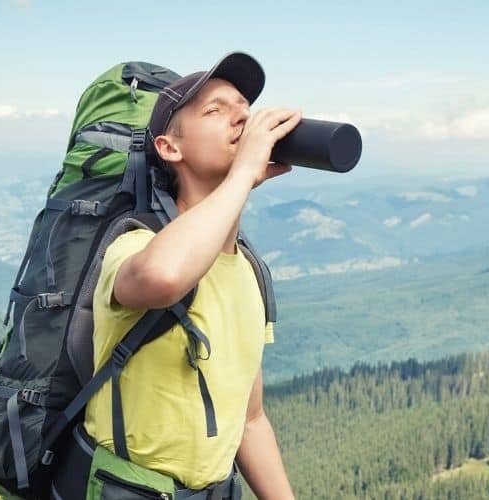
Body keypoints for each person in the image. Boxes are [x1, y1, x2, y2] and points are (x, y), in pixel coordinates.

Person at [83, 52, 300, 499]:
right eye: (215, 110)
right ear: (169, 148)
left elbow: (250, 417)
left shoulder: (248, 273)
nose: (241, 118)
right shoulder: (133, 245)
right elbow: (163, 277)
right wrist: (242, 174)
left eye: (244, 108)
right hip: (132, 490)